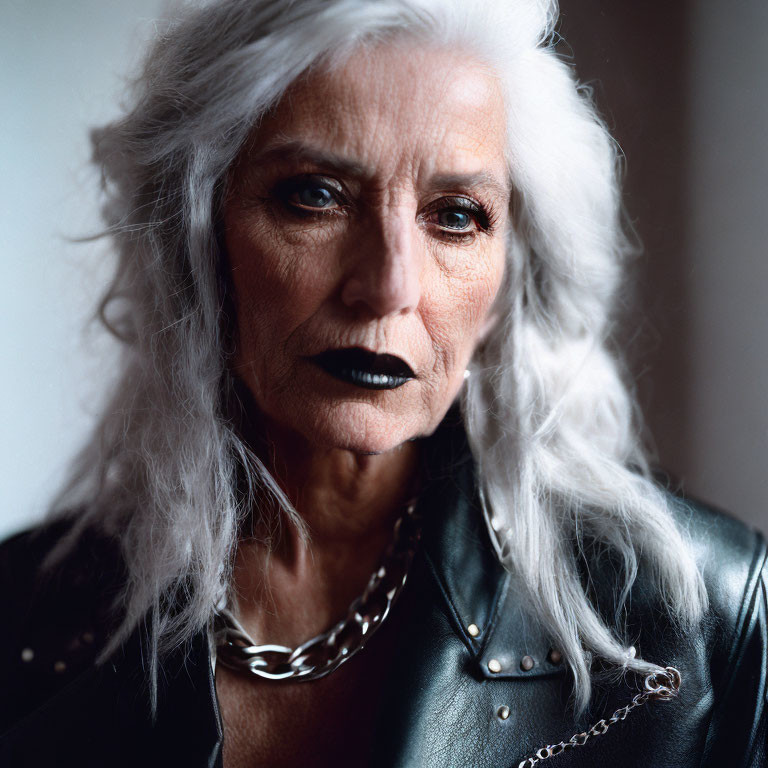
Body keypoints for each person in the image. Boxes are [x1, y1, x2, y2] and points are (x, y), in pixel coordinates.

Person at [1, 0, 766, 766]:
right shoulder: (22, 620)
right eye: (315, 195)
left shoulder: (704, 621)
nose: (389, 285)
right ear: (196, 240)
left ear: (510, 279)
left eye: (457, 215)